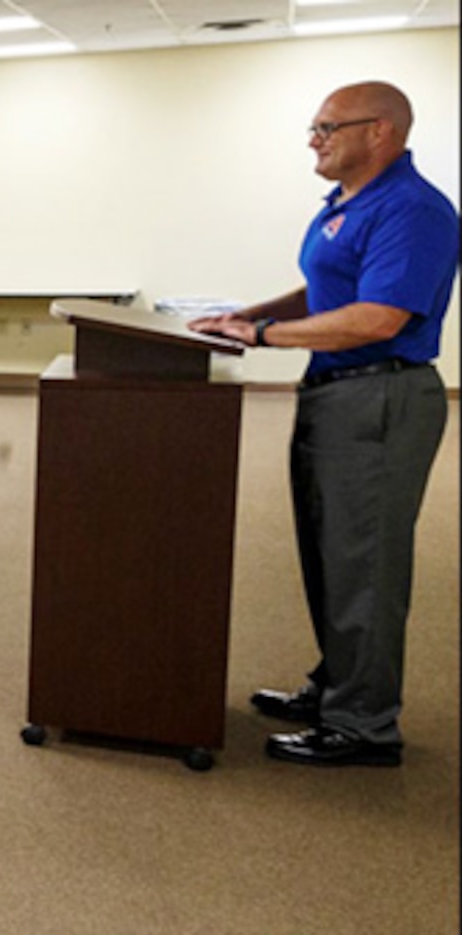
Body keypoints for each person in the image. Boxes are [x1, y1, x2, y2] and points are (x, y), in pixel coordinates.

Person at [189, 81, 456, 768]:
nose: (314, 139)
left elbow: (378, 317)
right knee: (331, 553)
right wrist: (242, 316)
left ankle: (364, 724)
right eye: (313, 126)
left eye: (328, 127)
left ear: (381, 132)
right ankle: (337, 683)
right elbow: (327, 287)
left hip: (381, 398)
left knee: (364, 563)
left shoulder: (412, 209)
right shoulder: (345, 206)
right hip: (335, 392)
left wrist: (265, 333)